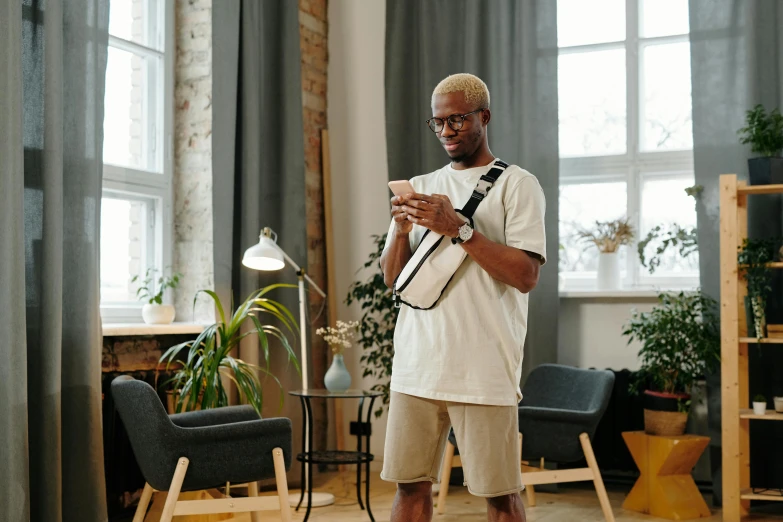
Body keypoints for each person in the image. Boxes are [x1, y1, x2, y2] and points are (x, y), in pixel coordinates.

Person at [379, 73, 547, 522]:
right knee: (409, 487)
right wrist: (400, 229)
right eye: (438, 123)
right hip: (417, 363)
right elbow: (394, 280)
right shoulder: (422, 184)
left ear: (484, 116)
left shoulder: (517, 184)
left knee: (500, 496)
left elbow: (526, 275)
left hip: (483, 366)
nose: (447, 131)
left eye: (458, 120)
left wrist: (459, 228)